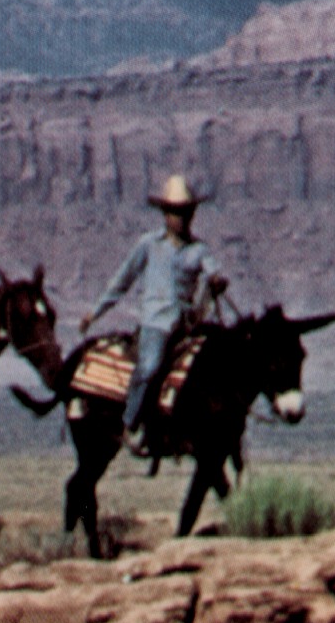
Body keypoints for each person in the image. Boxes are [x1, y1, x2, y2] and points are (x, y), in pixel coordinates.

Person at [83, 171, 230, 439]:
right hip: (156, 323)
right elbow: (122, 280)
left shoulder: (199, 250)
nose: (181, 218)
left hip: (187, 324)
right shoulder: (148, 245)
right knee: (150, 367)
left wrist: (218, 281)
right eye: (175, 212)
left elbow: (213, 271)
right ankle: (130, 422)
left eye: (186, 212)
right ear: (164, 214)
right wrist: (95, 313)